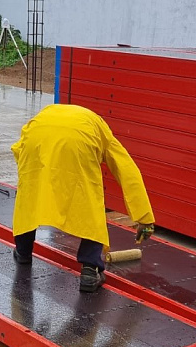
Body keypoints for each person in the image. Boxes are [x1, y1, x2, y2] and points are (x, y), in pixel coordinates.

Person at [11, 103, 155, 292]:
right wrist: (144, 218)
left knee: (29, 193)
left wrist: (36, 177)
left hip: (36, 135)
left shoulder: (46, 114)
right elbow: (127, 170)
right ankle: (90, 270)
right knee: (90, 202)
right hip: (79, 141)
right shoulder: (101, 130)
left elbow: (18, 149)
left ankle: (23, 252)